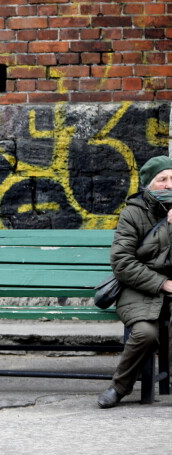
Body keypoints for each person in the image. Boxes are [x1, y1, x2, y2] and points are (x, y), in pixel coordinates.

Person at [98, 155, 172, 408]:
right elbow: (122, 262)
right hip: (140, 288)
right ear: (148, 185)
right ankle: (119, 387)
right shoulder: (133, 213)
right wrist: (162, 283)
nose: (169, 184)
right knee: (145, 332)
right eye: (162, 179)